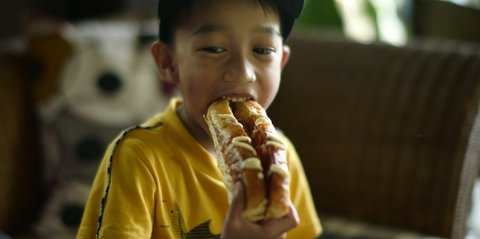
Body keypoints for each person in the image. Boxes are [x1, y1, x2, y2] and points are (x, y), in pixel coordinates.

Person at [77, 0, 322, 238]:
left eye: (262, 50)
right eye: (214, 49)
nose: (242, 72)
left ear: (280, 63)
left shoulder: (280, 158)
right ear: (168, 63)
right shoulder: (138, 157)